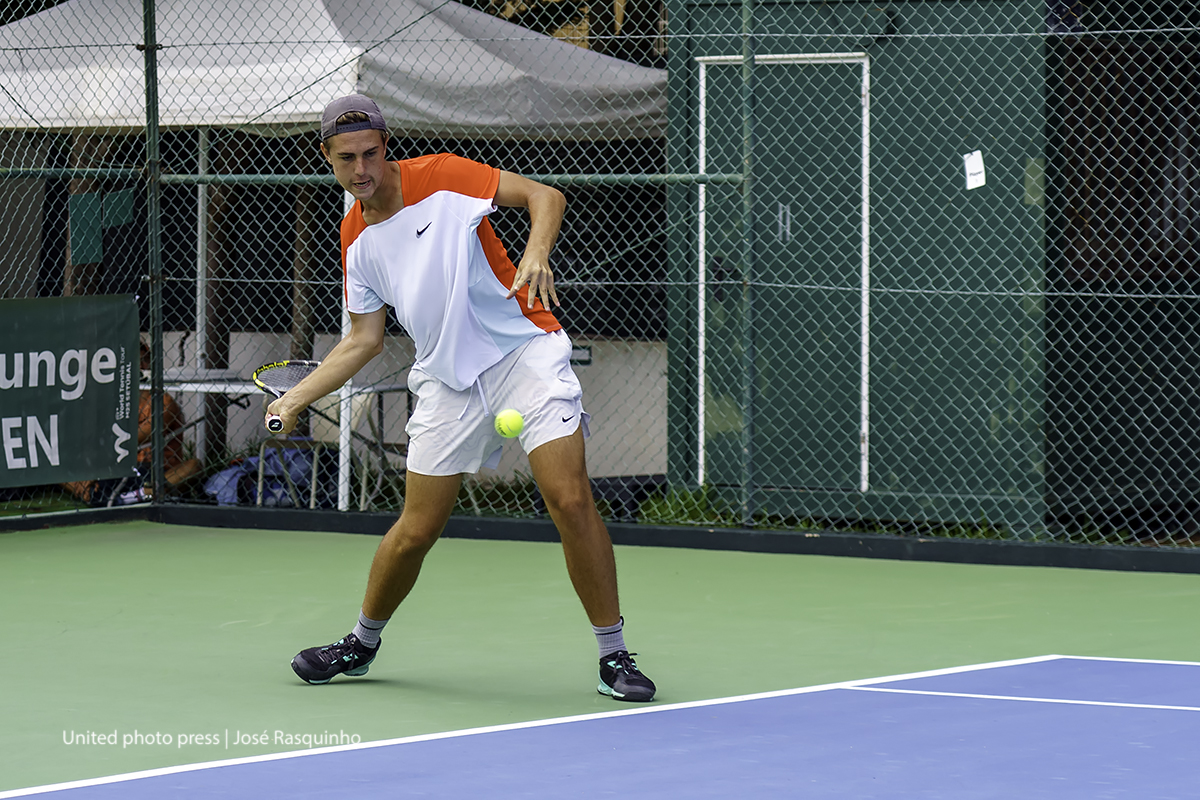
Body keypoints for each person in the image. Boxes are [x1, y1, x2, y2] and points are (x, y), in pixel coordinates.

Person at [269, 94, 656, 702]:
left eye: (371, 153)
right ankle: (361, 644)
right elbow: (362, 340)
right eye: (348, 159)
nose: (362, 169)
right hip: (447, 382)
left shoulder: (443, 177)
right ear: (329, 159)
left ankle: (615, 656)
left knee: (570, 496)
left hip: (524, 354)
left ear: (385, 146)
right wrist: (296, 400)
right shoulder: (355, 240)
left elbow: (544, 196)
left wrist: (535, 252)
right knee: (417, 528)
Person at [63, 342, 201, 505]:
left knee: (194, 466)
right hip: (117, 469)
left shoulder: (164, 402)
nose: (141, 366)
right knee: (61, 463)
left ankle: (136, 497)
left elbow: (139, 438)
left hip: (154, 471)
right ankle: (96, 496)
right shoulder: (110, 401)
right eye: (134, 360)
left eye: (144, 360)